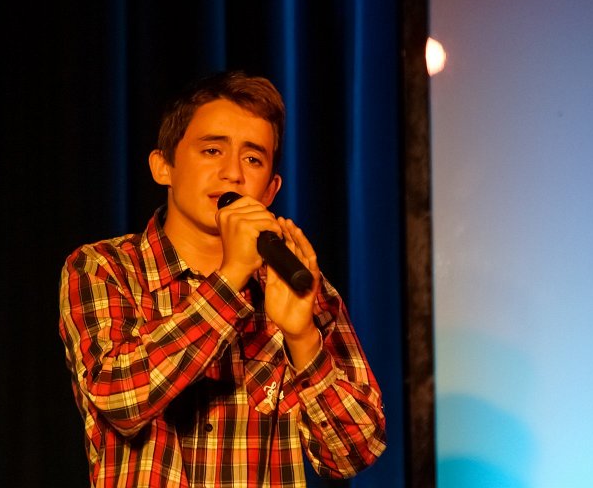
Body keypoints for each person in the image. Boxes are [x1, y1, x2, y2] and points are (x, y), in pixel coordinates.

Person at [59, 70, 386, 487]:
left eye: (253, 159)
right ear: (163, 166)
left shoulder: (292, 281)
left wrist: (303, 339)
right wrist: (231, 279)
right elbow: (120, 399)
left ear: (270, 190)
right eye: (212, 150)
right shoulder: (104, 267)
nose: (232, 173)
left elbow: (355, 451)